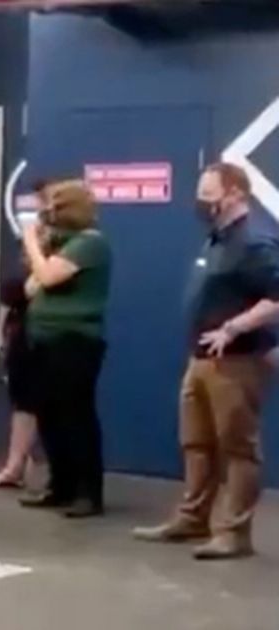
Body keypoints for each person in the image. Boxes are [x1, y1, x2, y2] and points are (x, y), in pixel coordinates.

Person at [134, 163, 279, 560]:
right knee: (196, 443)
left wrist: (233, 328)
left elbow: (275, 297)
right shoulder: (217, 239)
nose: (202, 200)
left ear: (235, 193)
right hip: (201, 359)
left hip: (237, 361)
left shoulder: (255, 242)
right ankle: (193, 518)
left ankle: (234, 533)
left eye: (209, 192)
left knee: (238, 448)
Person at [18, 180, 112, 519]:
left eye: (54, 209)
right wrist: (42, 257)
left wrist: (31, 242)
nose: (47, 215)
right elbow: (33, 286)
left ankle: (88, 493)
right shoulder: (65, 245)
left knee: (76, 416)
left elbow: (46, 276)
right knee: (49, 415)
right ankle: (61, 485)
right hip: (44, 339)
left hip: (74, 342)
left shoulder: (90, 244)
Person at [0, 181, 52, 489]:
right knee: (23, 405)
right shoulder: (22, 262)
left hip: (50, 339)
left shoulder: (64, 255)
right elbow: (7, 305)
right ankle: (14, 466)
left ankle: (53, 472)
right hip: (23, 339)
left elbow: (39, 284)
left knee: (51, 406)